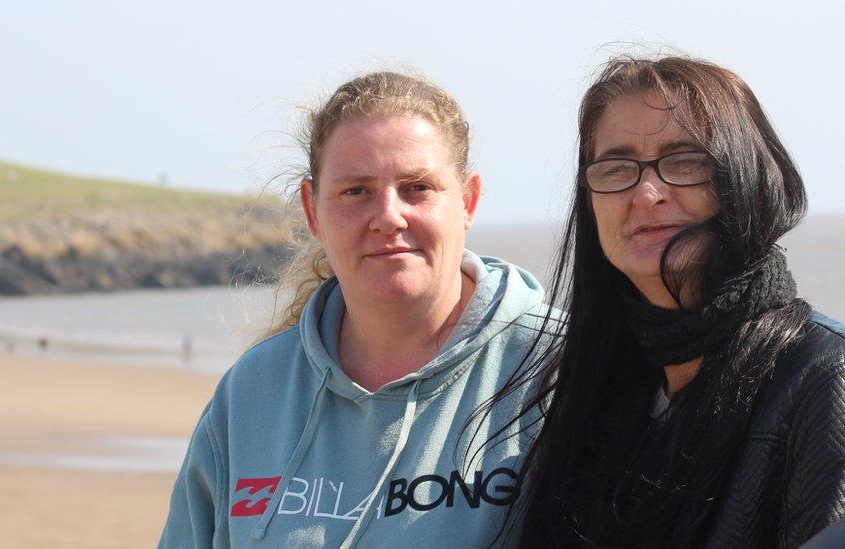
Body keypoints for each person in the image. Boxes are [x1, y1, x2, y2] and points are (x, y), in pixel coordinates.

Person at [159, 72, 549, 548]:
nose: (388, 215)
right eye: (356, 191)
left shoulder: (556, 370)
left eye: (417, 187)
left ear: (467, 201)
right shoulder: (253, 393)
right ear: (311, 210)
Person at [491, 55, 845, 547]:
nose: (648, 192)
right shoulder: (603, 390)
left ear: (753, 184)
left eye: (684, 162)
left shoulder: (824, 378)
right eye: (616, 168)